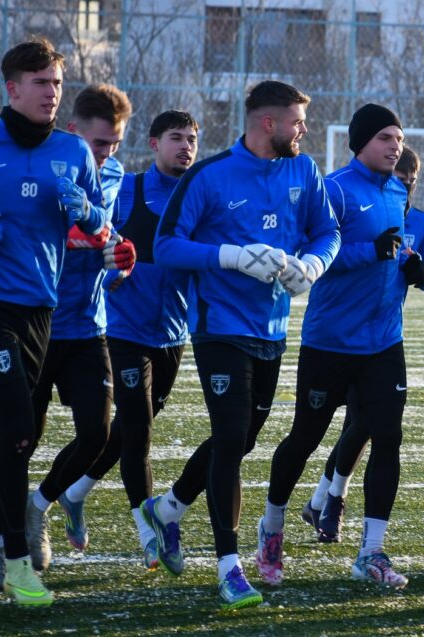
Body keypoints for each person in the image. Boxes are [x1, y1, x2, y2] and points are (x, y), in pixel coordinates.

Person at [145, 80, 339, 610]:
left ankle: (167, 509)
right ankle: (228, 567)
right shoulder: (209, 175)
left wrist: (312, 266)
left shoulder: (304, 170)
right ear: (268, 123)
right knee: (231, 438)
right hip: (219, 327)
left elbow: (328, 232)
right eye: (297, 121)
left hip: (272, 329)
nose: (304, 130)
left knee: (243, 438)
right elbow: (165, 246)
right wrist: (230, 256)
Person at [0, 38, 106, 605]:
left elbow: (99, 224)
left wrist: (89, 214)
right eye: (41, 83)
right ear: (12, 88)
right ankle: (15, 563)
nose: (52, 93)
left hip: (39, 312)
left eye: (57, 82)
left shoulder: (74, 151)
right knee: (18, 431)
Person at [257, 103, 412, 589]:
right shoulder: (335, 189)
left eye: (399, 138)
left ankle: (372, 552)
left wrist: (412, 266)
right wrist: (371, 252)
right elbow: (313, 255)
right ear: (361, 141)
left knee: (388, 438)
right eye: (385, 137)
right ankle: (272, 527)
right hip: (331, 341)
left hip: (384, 341)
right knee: (305, 438)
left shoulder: (398, 191)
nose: (395, 146)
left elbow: (395, 255)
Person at [57, 110, 199, 570]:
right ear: (154, 143)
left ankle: (74, 491)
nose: (185, 146)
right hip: (121, 329)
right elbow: (90, 233)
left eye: (192, 139)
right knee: (137, 430)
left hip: (173, 333)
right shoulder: (128, 190)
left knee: (127, 429)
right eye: (176, 137)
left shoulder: (199, 196)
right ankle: (149, 531)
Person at [17, 83, 134, 573]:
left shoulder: (117, 174)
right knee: (21, 438)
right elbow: (44, 231)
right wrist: (87, 235)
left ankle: (38, 506)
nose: (105, 153)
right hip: (38, 323)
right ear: (72, 131)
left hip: (88, 325)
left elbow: (109, 236)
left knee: (96, 435)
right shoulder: (46, 166)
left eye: (114, 144)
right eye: (98, 143)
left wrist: (120, 260)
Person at [303, 146, 424, 545]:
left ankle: (329, 501)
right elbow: (324, 252)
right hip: (338, 334)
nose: (406, 186)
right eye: (400, 179)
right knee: (335, 427)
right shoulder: (355, 204)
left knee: (367, 423)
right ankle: (321, 500)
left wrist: (421, 274)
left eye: (411, 180)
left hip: (382, 339)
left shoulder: (420, 222)